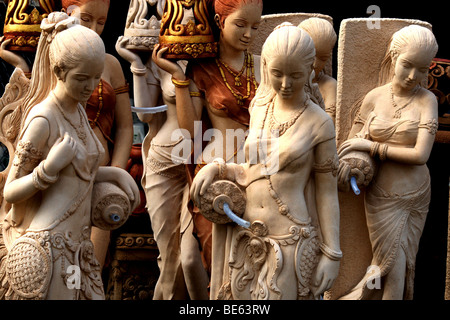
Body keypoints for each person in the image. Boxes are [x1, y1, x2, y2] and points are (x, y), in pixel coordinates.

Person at [190, 23, 341, 300]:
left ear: (310, 70)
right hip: (246, 231)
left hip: (289, 237)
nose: (285, 84)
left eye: (295, 75)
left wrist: (332, 253)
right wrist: (219, 167)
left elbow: (327, 192)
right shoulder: (260, 107)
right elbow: (253, 170)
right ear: (266, 67)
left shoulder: (320, 123)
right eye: (277, 74)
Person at [0, 12, 139, 300]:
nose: (90, 87)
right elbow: (11, 191)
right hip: (48, 247)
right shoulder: (43, 119)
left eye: (95, 77)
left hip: (78, 247)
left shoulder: (76, 109)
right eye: (81, 78)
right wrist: (47, 168)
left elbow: (78, 173)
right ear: (59, 70)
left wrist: (116, 173)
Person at [153, 0, 263, 298]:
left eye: (255, 26)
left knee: (250, 260)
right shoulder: (202, 71)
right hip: (212, 174)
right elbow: (189, 133)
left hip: (256, 171)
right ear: (218, 20)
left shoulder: (264, 67)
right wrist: (177, 76)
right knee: (201, 262)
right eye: (240, 24)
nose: (249, 34)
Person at [337, 24, 438, 300]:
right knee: (388, 263)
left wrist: (373, 145)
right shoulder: (374, 98)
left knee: (400, 265)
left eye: (422, 69)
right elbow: (351, 142)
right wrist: (354, 161)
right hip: (380, 195)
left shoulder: (427, 100)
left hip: (415, 193)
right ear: (393, 57)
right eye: (407, 65)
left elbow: (420, 155)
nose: (413, 76)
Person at [115, 35, 209, 299]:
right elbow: (145, 114)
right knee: (169, 257)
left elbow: (195, 127)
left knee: (190, 257)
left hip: (199, 164)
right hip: (162, 165)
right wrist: (137, 64)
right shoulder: (162, 57)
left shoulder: (210, 61)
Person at [61, 0, 134, 270]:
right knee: (63, 264)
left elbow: (126, 127)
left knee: (91, 269)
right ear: (68, 13)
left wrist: (116, 173)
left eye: (101, 22)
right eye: (86, 19)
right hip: (63, 175)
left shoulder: (110, 64)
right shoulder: (56, 59)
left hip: (102, 178)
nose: (93, 28)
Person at [298, 17, 337, 123]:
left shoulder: (329, 86)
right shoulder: (287, 82)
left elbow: (330, 126)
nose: (315, 64)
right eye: (311, 55)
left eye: (323, 58)